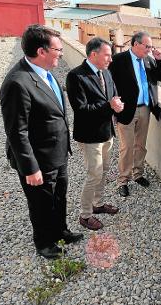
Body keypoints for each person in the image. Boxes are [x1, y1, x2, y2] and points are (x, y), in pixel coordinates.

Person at [0, 24, 83, 259]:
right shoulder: (18, 83)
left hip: (57, 153)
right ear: (41, 51)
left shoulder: (46, 72)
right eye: (58, 49)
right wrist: (31, 168)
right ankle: (44, 243)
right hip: (38, 159)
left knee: (59, 196)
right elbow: (17, 132)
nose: (61, 54)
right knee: (41, 202)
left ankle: (60, 231)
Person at [66, 37, 123, 231]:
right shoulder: (76, 76)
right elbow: (81, 109)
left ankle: (98, 204)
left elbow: (113, 95)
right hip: (90, 136)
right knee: (94, 174)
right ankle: (85, 215)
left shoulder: (106, 73)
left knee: (104, 170)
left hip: (107, 132)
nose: (111, 59)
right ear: (93, 54)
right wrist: (109, 106)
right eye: (107, 55)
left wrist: (117, 105)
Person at [108, 31, 161, 197]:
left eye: (151, 46)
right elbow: (108, 81)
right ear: (135, 44)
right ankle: (123, 180)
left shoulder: (149, 60)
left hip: (145, 108)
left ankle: (138, 174)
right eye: (146, 46)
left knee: (140, 145)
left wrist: (160, 60)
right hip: (126, 109)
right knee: (126, 147)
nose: (149, 49)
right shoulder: (119, 60)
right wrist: (114, 102)